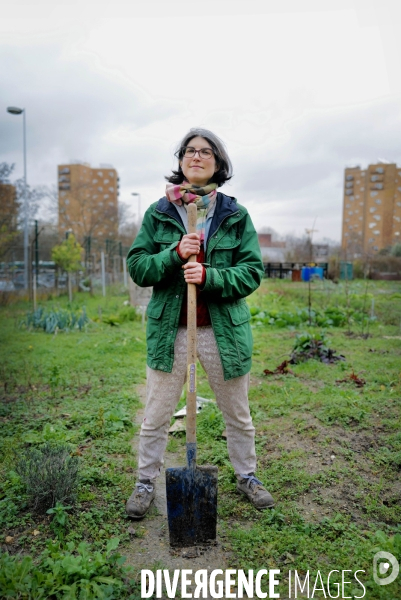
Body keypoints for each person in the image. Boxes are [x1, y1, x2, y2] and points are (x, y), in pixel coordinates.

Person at [125, 127, 275, 519]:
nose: (196, 156)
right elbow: (139, 268)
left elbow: (251, 272)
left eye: (206, 152)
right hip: (171, 331)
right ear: (180, 161)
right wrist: (174, 253)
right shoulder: (159, 213)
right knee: (156, 413)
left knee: (237, 413)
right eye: (189, 151)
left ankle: (247, 476)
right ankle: (144, 483)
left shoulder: (234, 214)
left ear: (218, 163)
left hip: (222, 332)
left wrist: (210, 277)